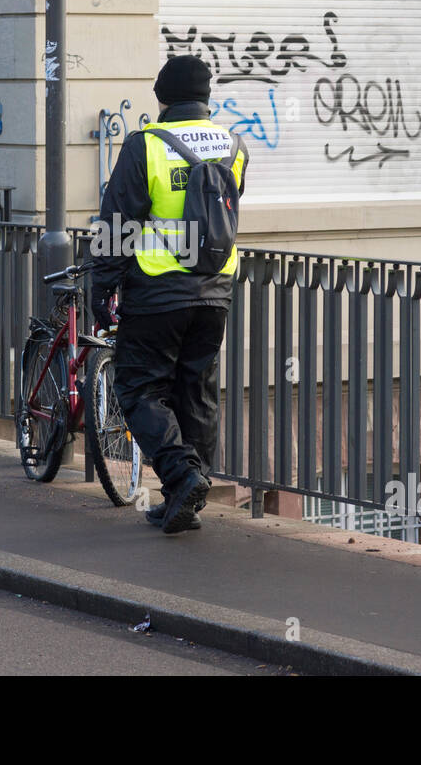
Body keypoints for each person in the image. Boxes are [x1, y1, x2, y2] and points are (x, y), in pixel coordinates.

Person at [90, 55, 249, 534]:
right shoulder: (234, 144)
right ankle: (185, 495)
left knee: (138, 386)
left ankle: (182, 476)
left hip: (158, 288)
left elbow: (117, 220)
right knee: (195, 390)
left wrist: (103, 284)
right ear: (205, 97)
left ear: (161, 97)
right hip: (215, 289)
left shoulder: (146, 145)